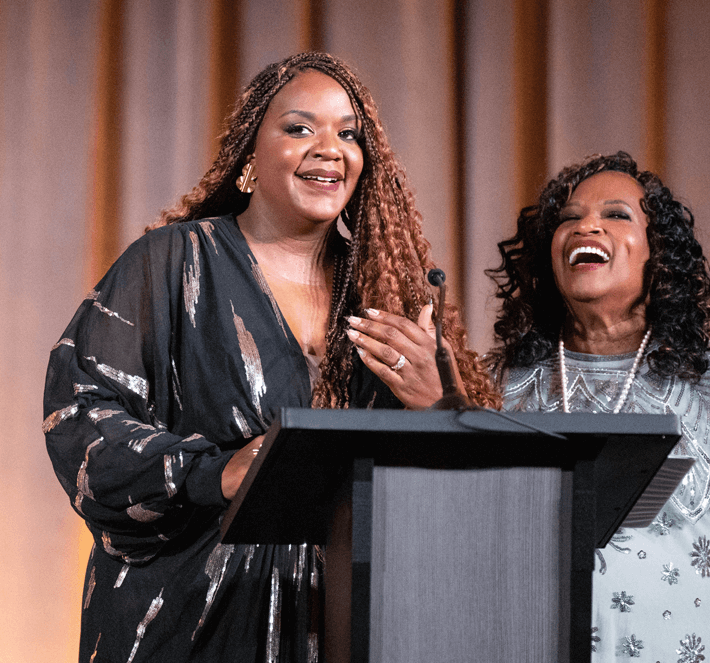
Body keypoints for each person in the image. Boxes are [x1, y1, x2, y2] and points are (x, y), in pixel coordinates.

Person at [43, 52, 497, 663]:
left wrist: (438, 405)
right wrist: (215, 470)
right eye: (299, 128)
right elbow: (81, 415)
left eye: (349, 133)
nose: (329, 148)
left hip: (337, 620)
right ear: (248, 159)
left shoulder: (383, 295)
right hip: (184, 618)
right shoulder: (173, 262)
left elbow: (453, 504)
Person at [489, 152, 710, 662]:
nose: (586, 224)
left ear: (659, 254)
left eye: (616, 214)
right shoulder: (500, 386)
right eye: (568, 218)